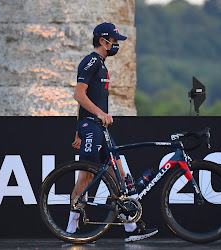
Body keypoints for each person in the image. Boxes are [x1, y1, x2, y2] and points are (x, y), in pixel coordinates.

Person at [66, 22, 158, 242]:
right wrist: (93, 119)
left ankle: (131, 229)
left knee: (121, 175)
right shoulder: (91, 61)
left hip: (95, 126)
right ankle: (70, 230)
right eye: (114, 40)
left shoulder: (102, 65)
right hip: (93, 126)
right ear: (102, 41)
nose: (116, 44)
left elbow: (85, 101)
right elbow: (79, 95)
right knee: (86, 176)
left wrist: (80, 128)